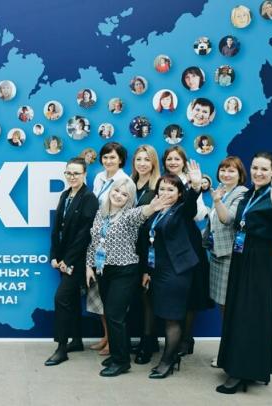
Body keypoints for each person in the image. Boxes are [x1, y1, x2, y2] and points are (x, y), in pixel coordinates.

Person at [216, 152, 272, 393]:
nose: (258, 172)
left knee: (250, 314)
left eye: (264, 169)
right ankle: (239, 365)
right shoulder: (249, 194)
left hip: (259, 259)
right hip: (240, 256)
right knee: (237, 311)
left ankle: (241, 372)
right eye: (255, 167)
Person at [84, 178, 167, 376]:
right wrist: (89, 266)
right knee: (111, 314)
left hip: (125, 271)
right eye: (116, 191)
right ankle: (117, 353)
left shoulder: (130, 215)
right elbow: (94, 242)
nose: (119, 196)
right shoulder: (101, 213)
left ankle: (121, 362)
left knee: (115, 315)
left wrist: (152, 207)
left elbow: (143, 212)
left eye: (124, 194)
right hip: (103, 271)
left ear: (130, 199)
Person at [140, 162, 204, 379]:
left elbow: (191, 205)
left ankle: (167, 361)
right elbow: (149, 243)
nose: (165, 192)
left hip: (177, 272)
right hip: (157, 271)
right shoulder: (155, 210)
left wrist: (195, 187)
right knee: (164, 314)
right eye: (162, 188)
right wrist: (147, 270)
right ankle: (170, 357)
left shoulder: (182, 210)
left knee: (172, 318)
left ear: (179, 194)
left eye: (170, 189)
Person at [45, 157, 98, 366]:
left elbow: (85, 234)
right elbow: (57, 229)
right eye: (69, 173)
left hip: (78, 259)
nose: (72, 176)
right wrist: (54, 256)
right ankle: (76, 340)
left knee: (61, 299)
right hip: (63, 259)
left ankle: (61, 348)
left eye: (76, 173)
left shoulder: (89, 198)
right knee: (73, 299)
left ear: (85, 174)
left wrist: (68, 260)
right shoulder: (65, 194)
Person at [161, 147, 211, 357]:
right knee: (172, 294)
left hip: (188, 242)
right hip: (166, 245)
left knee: (191, 293)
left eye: (177, 159)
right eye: (169, 159)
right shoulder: (163, 182)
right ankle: (172, 339)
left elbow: (198, 214)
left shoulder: (191, 182)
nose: (173, 162)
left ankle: (185, 340)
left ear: (183, 162)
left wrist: (195, 186)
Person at [201, 157, 248, 368]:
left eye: (231, 171)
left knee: (230, 308)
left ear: (240, 175)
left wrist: (218, 201)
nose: (226, 174)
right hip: (218, 255)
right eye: (223, 170)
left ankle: (230, 353)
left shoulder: (241, 193)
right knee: (223, 307)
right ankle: (228, 351)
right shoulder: (223, 190)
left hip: (229, 256)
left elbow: (228, 219)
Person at [88, 142, 129, 355]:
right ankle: (106, 336)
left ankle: (114, 342)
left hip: (115, 247)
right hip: (98, 241)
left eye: (112, 157)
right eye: (105, 157)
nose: (108, 161)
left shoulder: (125, 181)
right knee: (100, 297)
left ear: (120, 159)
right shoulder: (99, 177)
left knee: (113, 302)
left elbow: (127, 213)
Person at [129, 145, 161, 365]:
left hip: (149, 248)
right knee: (138, 298)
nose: (142, 163)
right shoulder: (129, 184)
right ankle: (146, 338)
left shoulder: (158, 187)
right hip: (130, 248)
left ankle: (147, 344)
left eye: (146, 159)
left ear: (153, 163)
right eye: (138, 159)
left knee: (148, 297)